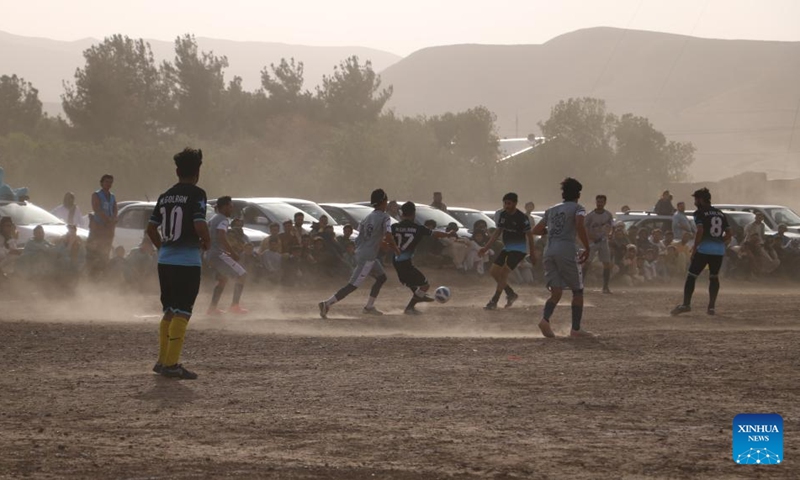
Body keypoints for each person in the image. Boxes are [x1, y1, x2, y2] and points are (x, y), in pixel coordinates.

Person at [145, 148, 210, 380]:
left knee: (169, 311)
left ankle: (162, 361)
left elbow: (151, 228)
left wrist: (162, 247)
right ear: (198, 171)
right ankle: (172, 365)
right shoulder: (197, 194)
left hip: (165, 261)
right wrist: (207, 240)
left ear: (177, 170)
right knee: (183, 312)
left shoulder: (165, 196)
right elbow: (199, 223)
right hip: (187, 263)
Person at [318, 189, 400, 318]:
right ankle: (327, 303)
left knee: (381, 277)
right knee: (353, 285)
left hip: (363, 253)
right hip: (368, 257)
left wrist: (378, 245)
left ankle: (369, 307)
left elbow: (362, 237)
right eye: (386, 201)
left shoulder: (367, 218)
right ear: (383, 202)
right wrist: (396, 249)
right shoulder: (385, 217)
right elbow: (388, 235)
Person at [532, 178, 593, 338]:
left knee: (556, 291)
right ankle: (576, 329)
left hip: (549, 250)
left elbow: (536, 229)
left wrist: (551, 232)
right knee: (578, 291)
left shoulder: (551, 209)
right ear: (578, 194)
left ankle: (545, 320)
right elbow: (579, 225)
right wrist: (587, 247)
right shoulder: (578, 208)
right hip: (566, 249)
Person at [670, 188, 731, 316]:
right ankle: (711, 307)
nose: (694, 202)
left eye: (696, 199)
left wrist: (696, 247)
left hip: (704, 249)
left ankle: (686, 304)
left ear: (701, 199)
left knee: (691, 276)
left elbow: (700, 230)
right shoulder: (720, 213)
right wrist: (719, 241)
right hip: (718, 251)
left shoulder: (699, 212)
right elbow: (730, 234)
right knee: (714, 277)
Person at [391, 202, 457, 314]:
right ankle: (410, 307)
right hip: (405, 262)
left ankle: (419, 296)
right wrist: (448, 234)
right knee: (425, 285)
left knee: (410, 281)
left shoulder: (394, 227)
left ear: (402, 214)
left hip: (396, 260)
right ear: (413, 214)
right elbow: (435, 234)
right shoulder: (418, 228)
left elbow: (386, 238)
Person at [478, 192, 534, 310]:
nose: (506, 206)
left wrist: (532, 253)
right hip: (507, 248)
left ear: (515, 203)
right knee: (493, 272)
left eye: (509, 203)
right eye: (505, 203)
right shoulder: (503, 215)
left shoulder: (522, 218)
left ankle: (494, 301)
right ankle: (510, 293)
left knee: (504, 273)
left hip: (519, 250)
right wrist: (486, 247)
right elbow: (497, 232)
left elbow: (530, 236)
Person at [206, 196, 248, 315]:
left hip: (211, 254)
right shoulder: (223, 219)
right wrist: (233, 253)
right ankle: (234, 306)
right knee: (242, 275)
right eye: (230, 207)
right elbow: (221, 236)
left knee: (223, 279)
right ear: (224, 207)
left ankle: (212, 309)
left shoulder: (214, 218)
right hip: (217, 254)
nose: (231, 209)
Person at [87, 174, 118, 277]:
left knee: (105, 253)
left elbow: (115, 209)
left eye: (110, 182)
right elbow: (97, 209)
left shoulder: (112, 196)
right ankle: (91, 275)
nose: (108, 184)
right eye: (106, 182)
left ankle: (102, 275)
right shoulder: (96, 195)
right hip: (98, 228)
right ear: (102, 183)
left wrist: (113, 218)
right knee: (94, 252)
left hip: (108, 230)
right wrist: (107, 219)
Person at [583, 194, 614, 293]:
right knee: (587, 262)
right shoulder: (590, 215)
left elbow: (612, 227)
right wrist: (589, 237)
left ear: (605, 203)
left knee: (606, 263)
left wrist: (610, 235)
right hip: (592, 241)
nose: (599, 204)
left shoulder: (608, 215)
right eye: (598, 202)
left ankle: (605, 287)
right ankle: (580, 285)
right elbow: (585, 227)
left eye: (601, 202)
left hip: (603, 241)